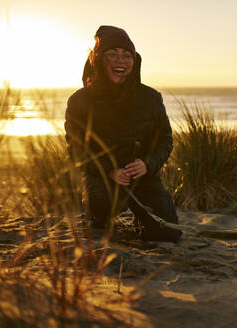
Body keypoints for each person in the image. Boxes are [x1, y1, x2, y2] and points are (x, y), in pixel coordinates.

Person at [65, 25, 182, 242]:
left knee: (168, 234)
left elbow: (165, 141)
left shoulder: (151, 98)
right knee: (100, 203)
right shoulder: (79, 101)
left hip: (143, 175)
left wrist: (147, 164)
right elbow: (76, 150)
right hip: (103, 177)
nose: (121, 61)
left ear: (134, 61)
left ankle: (143, 218)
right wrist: (109, 170)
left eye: (127, 56)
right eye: (113, 55)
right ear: (99, 60)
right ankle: (99, 217)